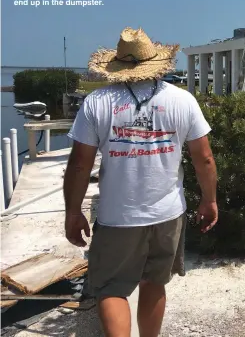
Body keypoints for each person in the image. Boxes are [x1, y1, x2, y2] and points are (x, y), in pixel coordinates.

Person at [63, 27, 218, 337]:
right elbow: (204, 159)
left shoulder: (97, 102)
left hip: (117, 217)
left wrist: (73, 211)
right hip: (167, 215)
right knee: (154, 282)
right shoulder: (182, 100)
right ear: (156, 62)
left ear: (117, 65)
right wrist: (209, 199)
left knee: (110, 289)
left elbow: (80, 164)